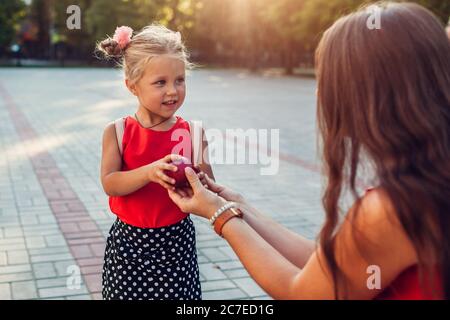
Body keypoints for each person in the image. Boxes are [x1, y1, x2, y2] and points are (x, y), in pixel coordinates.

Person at [168, 2, 450, 299]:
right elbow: (330, 267)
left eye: (328, 80)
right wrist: (240, 207)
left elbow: (302, 292)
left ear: (368, 96)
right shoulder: (431, 181)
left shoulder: (395, 208)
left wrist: (219, 215)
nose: (320, 92)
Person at [99, 25, 213, 300]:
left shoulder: (194, 132)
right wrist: (150, 172)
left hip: (176, 243)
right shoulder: (118, 131)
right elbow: (110, 183)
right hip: (129, 245)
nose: (173, 91)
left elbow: (208, 187)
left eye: (180, 80)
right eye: (160, 82)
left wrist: (201, 177)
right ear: (132, 86)